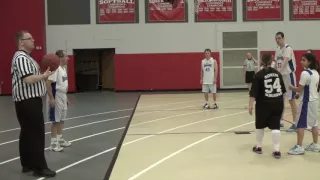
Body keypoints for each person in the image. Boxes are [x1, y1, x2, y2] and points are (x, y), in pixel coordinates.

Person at [11, 30, 56, 177]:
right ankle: (39, 167)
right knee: (36, 134)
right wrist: (43, 76)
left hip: (27, 101)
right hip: (28, 100)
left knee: (27, 133)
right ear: (21, 42)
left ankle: (28, 164)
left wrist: (43, 75)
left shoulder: (26, 58)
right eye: (29, 38)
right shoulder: (21, 58)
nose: (33, 40)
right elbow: (28, 79)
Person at [249, 53, 286, 159]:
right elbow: (282, 91)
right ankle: (277, 150)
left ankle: (259, 147)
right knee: (276, 127)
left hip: (263, 104)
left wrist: (250, 105)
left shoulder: (259, 75)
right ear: (272, 60)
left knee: (260, 125)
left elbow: (253, 92)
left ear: (261, 61)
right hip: (277, 103)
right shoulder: (278, 74)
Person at [288, 53, 320, 155]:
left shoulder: (305, 73)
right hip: (315, 101)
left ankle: (299, 146)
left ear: (309, 62)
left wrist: (291, 87)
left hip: (307, 102)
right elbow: (308, 88)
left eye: (303, 60)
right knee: (314, 124)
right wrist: (298, 95)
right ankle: (315, 145)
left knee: (300, 124)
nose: (301, 61)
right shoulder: (316, 73)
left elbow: (299, 88)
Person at [46, 50, 71, 152]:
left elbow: (63, 85)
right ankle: (53, 143)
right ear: (60, 58)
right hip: (56, 96)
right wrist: (51, 98)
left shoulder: (62, 69)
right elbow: (48, 83)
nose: (68, 58)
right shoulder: (55, 69)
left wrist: (66, 97)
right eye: (66, 56)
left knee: (61, 119)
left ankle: (59, 139)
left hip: (62, 96)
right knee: (55, 120)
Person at [275, 32, 298, 131]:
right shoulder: (277, 50)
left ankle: (295, 123)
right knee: (280, 99)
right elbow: (277, 63)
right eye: (276, 38)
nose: (277, 40)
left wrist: (279, 72)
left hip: (288, 76)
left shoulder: (288, 48)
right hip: (281, 76)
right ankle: (280, 121)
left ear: (283, 38)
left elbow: (285, 60)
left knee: (291, 99)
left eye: (279, 38)